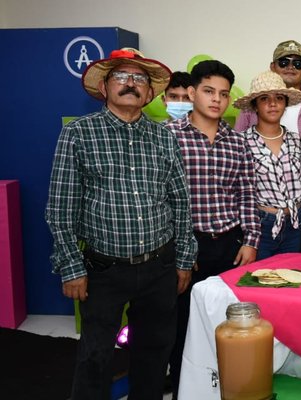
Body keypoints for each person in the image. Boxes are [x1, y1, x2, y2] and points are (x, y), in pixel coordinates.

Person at [45, 47, 197, 400]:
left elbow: (180, 201)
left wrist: (184, 260)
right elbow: (60, 207)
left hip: (160, 266)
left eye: (140, 78)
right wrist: (71, 267)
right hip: (102, 271)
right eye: (122, 77)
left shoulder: (164, 137)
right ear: (105, 87)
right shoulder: (79, 134)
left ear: (148, 92)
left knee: (155, 352)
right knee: (95, 356)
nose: (131, 84)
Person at [165, 60, 260, 397]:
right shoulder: (168, 136)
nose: (216, 100)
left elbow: (247, 192)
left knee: (226, 324)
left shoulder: (236, 143)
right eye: (208, 91)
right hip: (185, 248)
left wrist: (251, 240)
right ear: (191, 93)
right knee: (181, 326)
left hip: (229, 245)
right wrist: (177, 248)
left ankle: (226, 388)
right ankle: (182, 390)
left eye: (223, 94)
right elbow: (160, 197)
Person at [235, 40, 301, 216]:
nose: (290, 67)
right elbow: (236, 154)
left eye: (297, 63)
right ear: (273, 66)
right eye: (284, 62)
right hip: (260, 209)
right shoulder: (252, 106)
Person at [234, 71, 301, 258]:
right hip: (260, 226)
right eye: (264, 99)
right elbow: (239, 195)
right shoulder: (241, 143)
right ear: (255, 106)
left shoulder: (298, 142)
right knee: (260, 281)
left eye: (279, 98)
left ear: (285, 103)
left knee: (290, 280)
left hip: (294, 226)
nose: (273, 104)